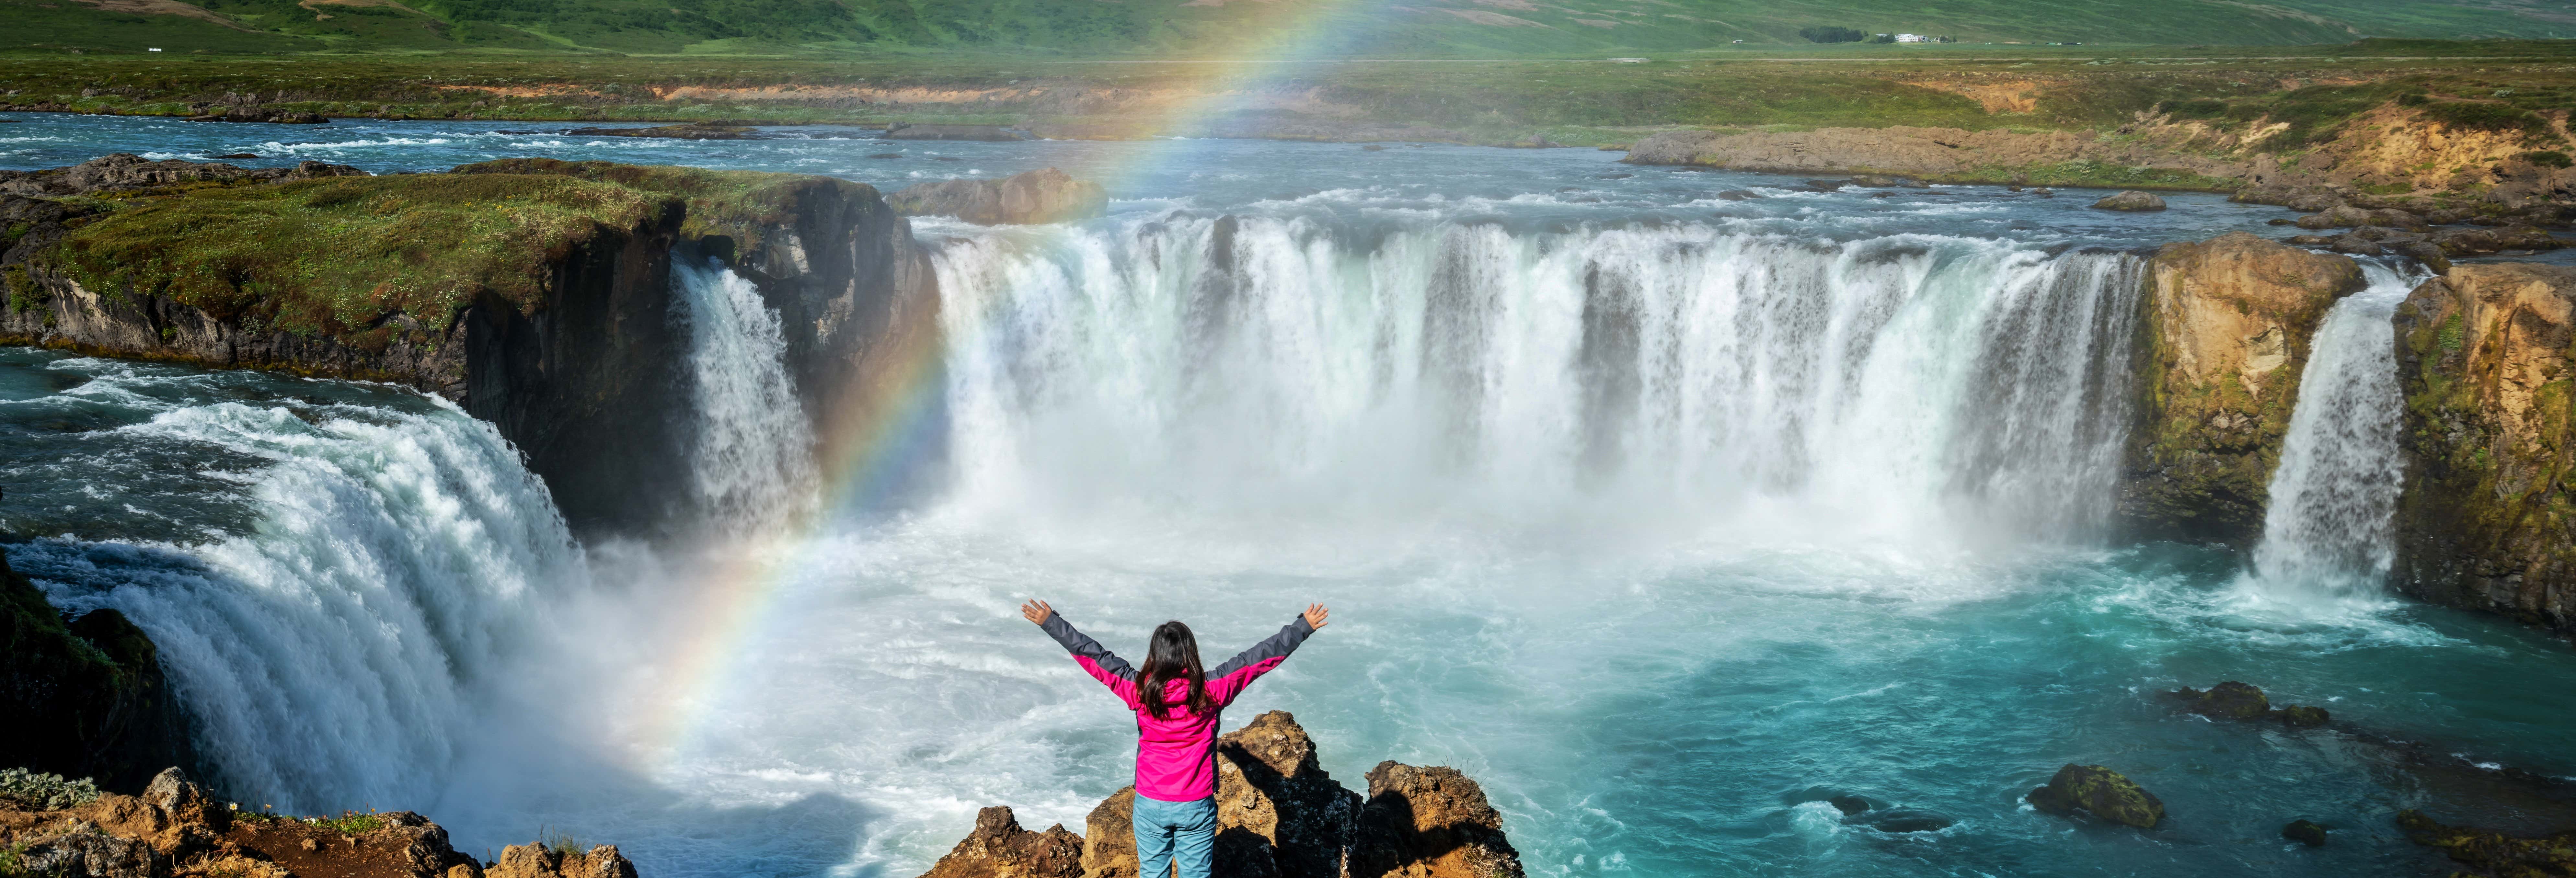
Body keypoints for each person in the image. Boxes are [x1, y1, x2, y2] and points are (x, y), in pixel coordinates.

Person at [1021, 599, 1329, 878]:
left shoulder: (1138, 690)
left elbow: (1095, 657)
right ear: (1189, 653)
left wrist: (1052, 622)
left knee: (1154, 874)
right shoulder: (1212, 689)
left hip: (1151, 801)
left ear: (1155, 655)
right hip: (1196, 802)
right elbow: (1258, 659)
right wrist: (1303, 627)